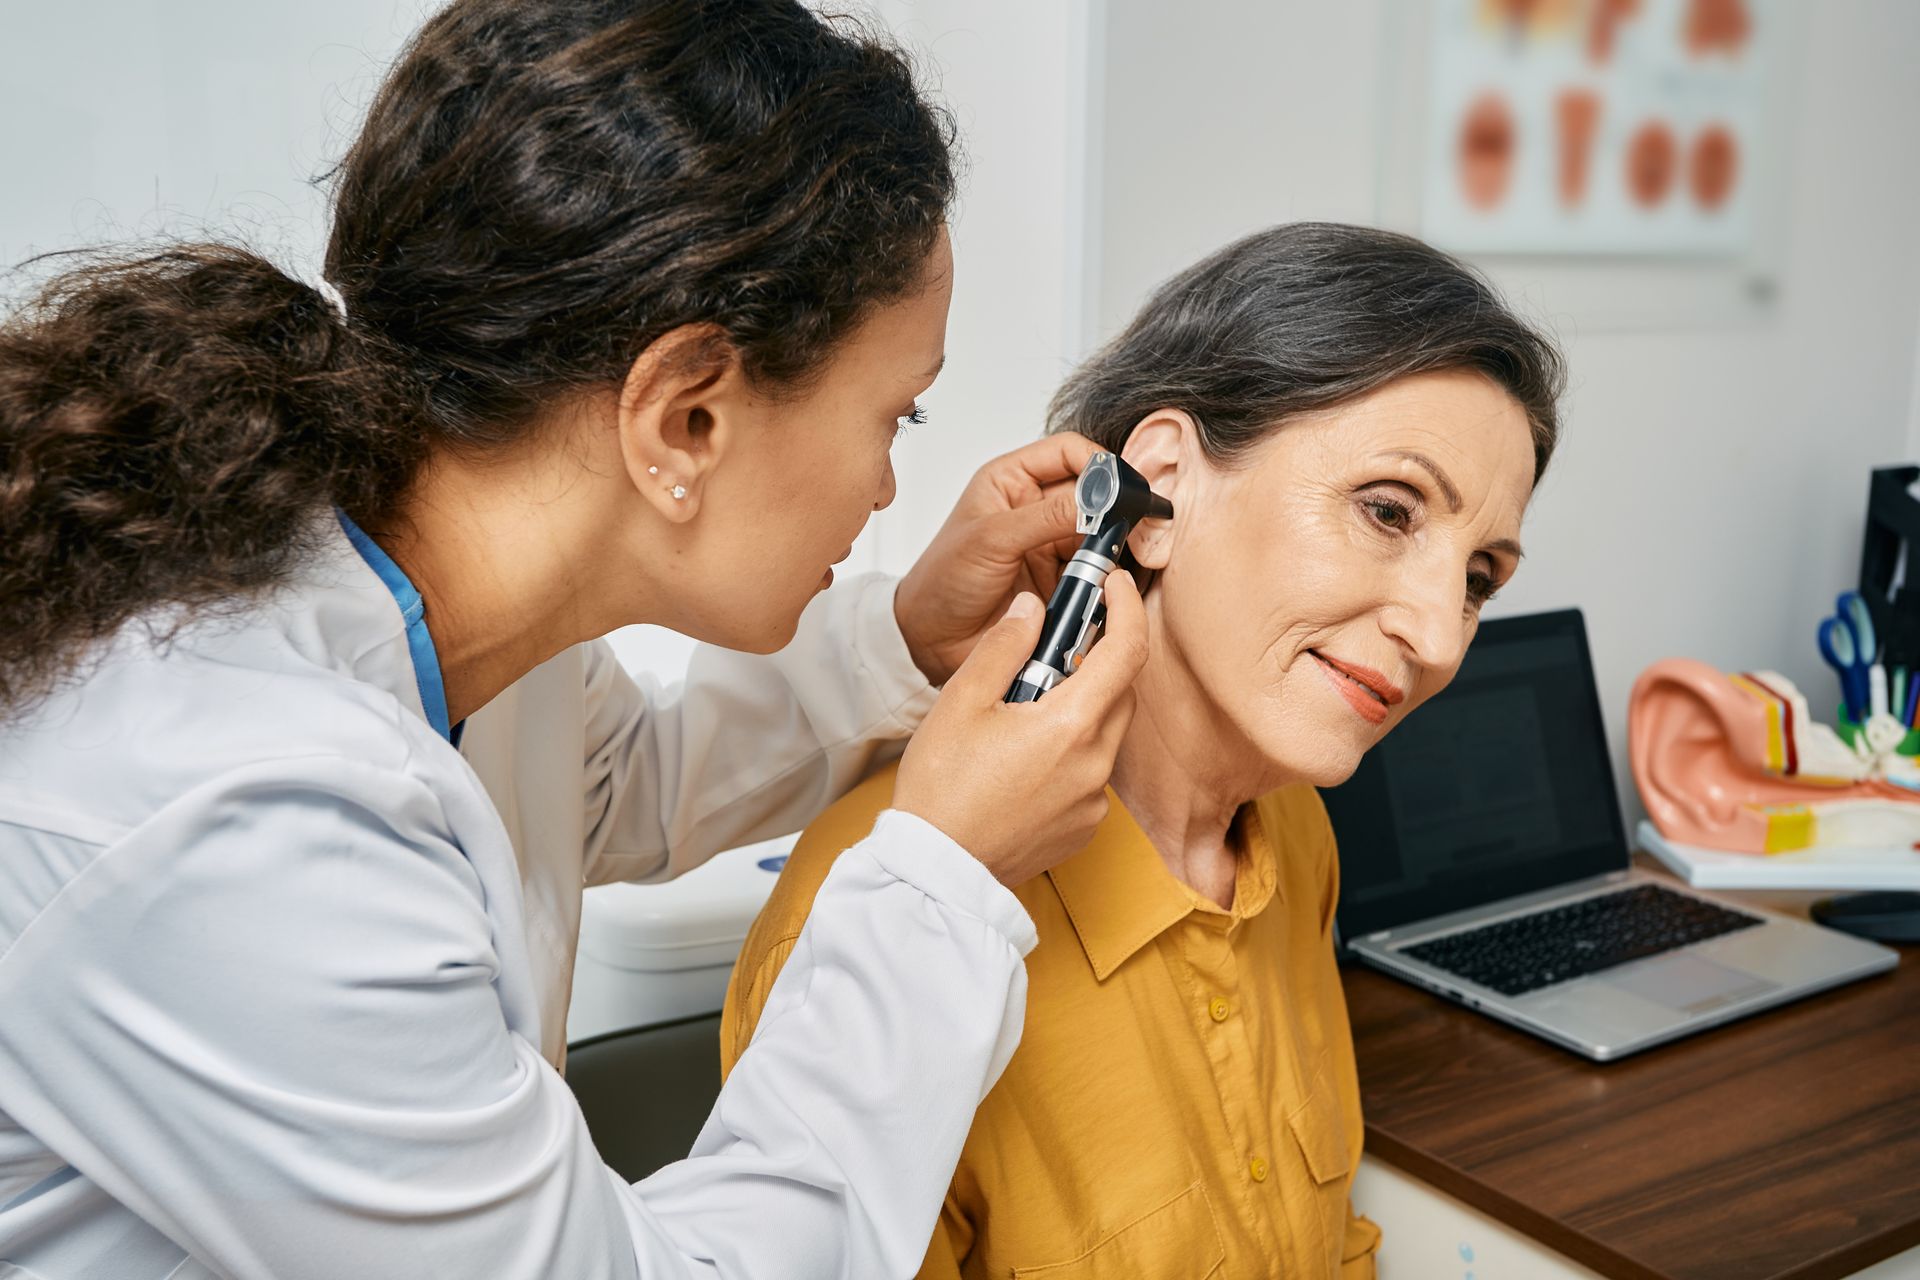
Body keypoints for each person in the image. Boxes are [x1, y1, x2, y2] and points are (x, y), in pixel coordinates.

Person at [0, 2, 1145, 1277]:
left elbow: (607, 785)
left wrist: (909, 641)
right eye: (899, 415)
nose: (885, 488)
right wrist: (944, 876)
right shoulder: (232, 814)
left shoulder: (440, 603)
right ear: (686, 417)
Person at [722, 222, 1566, 1279]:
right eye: (1388, 510)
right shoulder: (883, 912)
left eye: (1480, 576)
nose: (1440, 636)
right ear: (1161, 487)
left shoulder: (1293, 833)